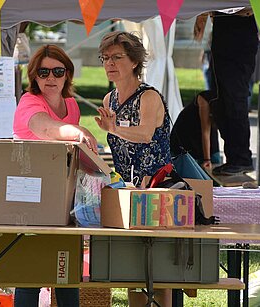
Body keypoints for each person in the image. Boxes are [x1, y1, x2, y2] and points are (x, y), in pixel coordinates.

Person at [13, 44, 97, 307]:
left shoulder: (71, 106)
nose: (51, 78)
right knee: (30, 273)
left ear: (67, 75)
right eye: (44, 72)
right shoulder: (29, 101)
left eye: (58, 71)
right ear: (34, 76)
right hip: (28, 197)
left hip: (63, 198)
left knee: (67, 271)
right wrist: (77, 130)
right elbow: (46, 129)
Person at [94, 31, 172, 307]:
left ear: (135, 61)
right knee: (131, 266)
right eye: (105, 58)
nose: (109, 63)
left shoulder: (148, 97)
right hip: (126, 190)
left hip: (157, 189)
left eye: (117, 57)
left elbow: (146, 135)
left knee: (159, 269)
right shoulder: (109, 100)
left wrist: (114, 128)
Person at [208, 9, 258, 176]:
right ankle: (233, 158)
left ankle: (242, 159)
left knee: (234, 98)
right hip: (223, 27)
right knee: (220, 102)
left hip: (239, 31)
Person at [170, 90, 220, 173]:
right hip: (187, 135)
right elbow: (205, 132)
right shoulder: (204, 99)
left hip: (207, 135)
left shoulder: (231, 101)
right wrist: (207, 159)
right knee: (194, 170)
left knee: (214, 163)